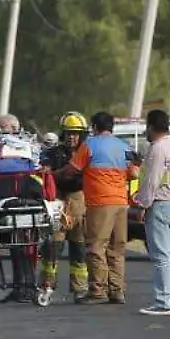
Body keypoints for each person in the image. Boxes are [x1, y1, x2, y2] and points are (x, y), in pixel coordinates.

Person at [0, 115, 56, 303]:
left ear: (13, 127)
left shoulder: (3, 146)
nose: (0, 130)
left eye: (3, 127)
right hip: (16, 200)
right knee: (16, 246)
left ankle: (25, 287)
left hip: (10, 200)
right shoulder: (7, 146)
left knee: (23, 245)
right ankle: (22, 288)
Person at [70, 111, 133, 305]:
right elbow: (134, 173)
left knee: (96, 246)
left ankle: (97, 291)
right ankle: (117, 290)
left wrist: (53, 175)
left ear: (95, 127)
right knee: (116, 248)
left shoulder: (89, 144)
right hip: (121, 203)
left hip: (100, 203)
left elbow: (73, 169)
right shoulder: (124, 146)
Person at [133, 109, 170, 316]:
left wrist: (143, 204)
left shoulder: (157, 149)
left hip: (160, 204)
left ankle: (163, 301)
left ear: (152, 127)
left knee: (161, 255)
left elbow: (152, 180)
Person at [43, 112, 91, 297]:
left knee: (79, 246)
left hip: (80, 200)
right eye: (69, 132)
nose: (72, 136)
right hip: (57, 200)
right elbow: (45, 171)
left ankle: (79, 287)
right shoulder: (54, 153)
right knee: (53, 245)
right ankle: (47, 284)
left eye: (76, 133)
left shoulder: (87, 153)